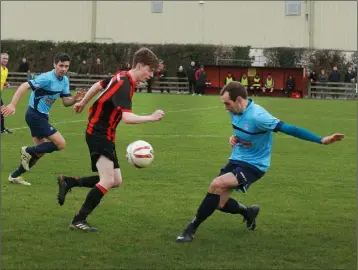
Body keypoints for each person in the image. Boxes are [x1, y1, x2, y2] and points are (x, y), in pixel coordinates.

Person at [176, 81, 344, 243]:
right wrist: (234, 138)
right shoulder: (234, 110)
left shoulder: (259, 117)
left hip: (255, 165)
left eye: (227, 104)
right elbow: (243, 130)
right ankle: (248, 212)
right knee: (220, 203)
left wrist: (321, 140)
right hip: (236, 158)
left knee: (216, 184)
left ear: (239, 100)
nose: (225, 108)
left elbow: (291, 129)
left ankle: (190, 229)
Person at [56, 47, 165, 232]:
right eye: (150, 70)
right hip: (99, 133)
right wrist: (151, 117)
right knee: (107, 180)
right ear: (139, 65)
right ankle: (78, 219)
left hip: (104, 133)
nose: (150, 75)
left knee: (116, 180)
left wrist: (83, 102)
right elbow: (127, 118)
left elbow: (98, 85)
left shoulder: (122, 76)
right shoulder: (125, 84)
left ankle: (69, 182)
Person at [1, 53, 85, 186]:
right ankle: (27, 150)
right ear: (54, 65)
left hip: (42, 116)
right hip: (34, 115)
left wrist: (74, 99)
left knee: (39, 152)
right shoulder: (47, 78)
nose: (63, 69)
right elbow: (24, 86)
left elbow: (65, 102)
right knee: (61, 143)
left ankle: (14, 176)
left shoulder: (64, 80)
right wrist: (12, 104)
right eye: (61, 65)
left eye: (66, 66)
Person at [1, 53, 13, 134]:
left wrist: (6, 83)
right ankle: (2, 129)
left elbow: (2, 80)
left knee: (2, 111)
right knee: (3, 111)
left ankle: (2, 129)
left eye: (6, 59)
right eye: (3, 58)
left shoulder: (6, 70)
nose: (5, 60)